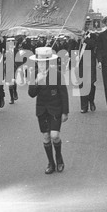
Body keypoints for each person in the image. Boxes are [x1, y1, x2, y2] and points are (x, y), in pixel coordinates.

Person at [28, 47, 69, 175]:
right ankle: (51, 163)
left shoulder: (56, 74)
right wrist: (36, 82)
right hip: (41, 109)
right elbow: (31, 94)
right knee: (46, 136)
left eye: (44, 62)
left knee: (54, 135)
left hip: (55, 108)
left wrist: (65, 112)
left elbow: (64, 94)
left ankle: (59, 158)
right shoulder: (34, 74)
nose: (42, 64)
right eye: (39, 62)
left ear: (49, 62)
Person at [78, 17, 98, 113]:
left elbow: (94, 44)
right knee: (82, 84)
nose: (85, 26)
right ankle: (84, 106)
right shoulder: (76, 36)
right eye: (84, 24)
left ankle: (91, 100)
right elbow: (71, 48)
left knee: (90, 83)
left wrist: (85, 38)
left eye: (87, 24)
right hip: (79, 62)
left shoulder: (92, 35)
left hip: (89, 60)